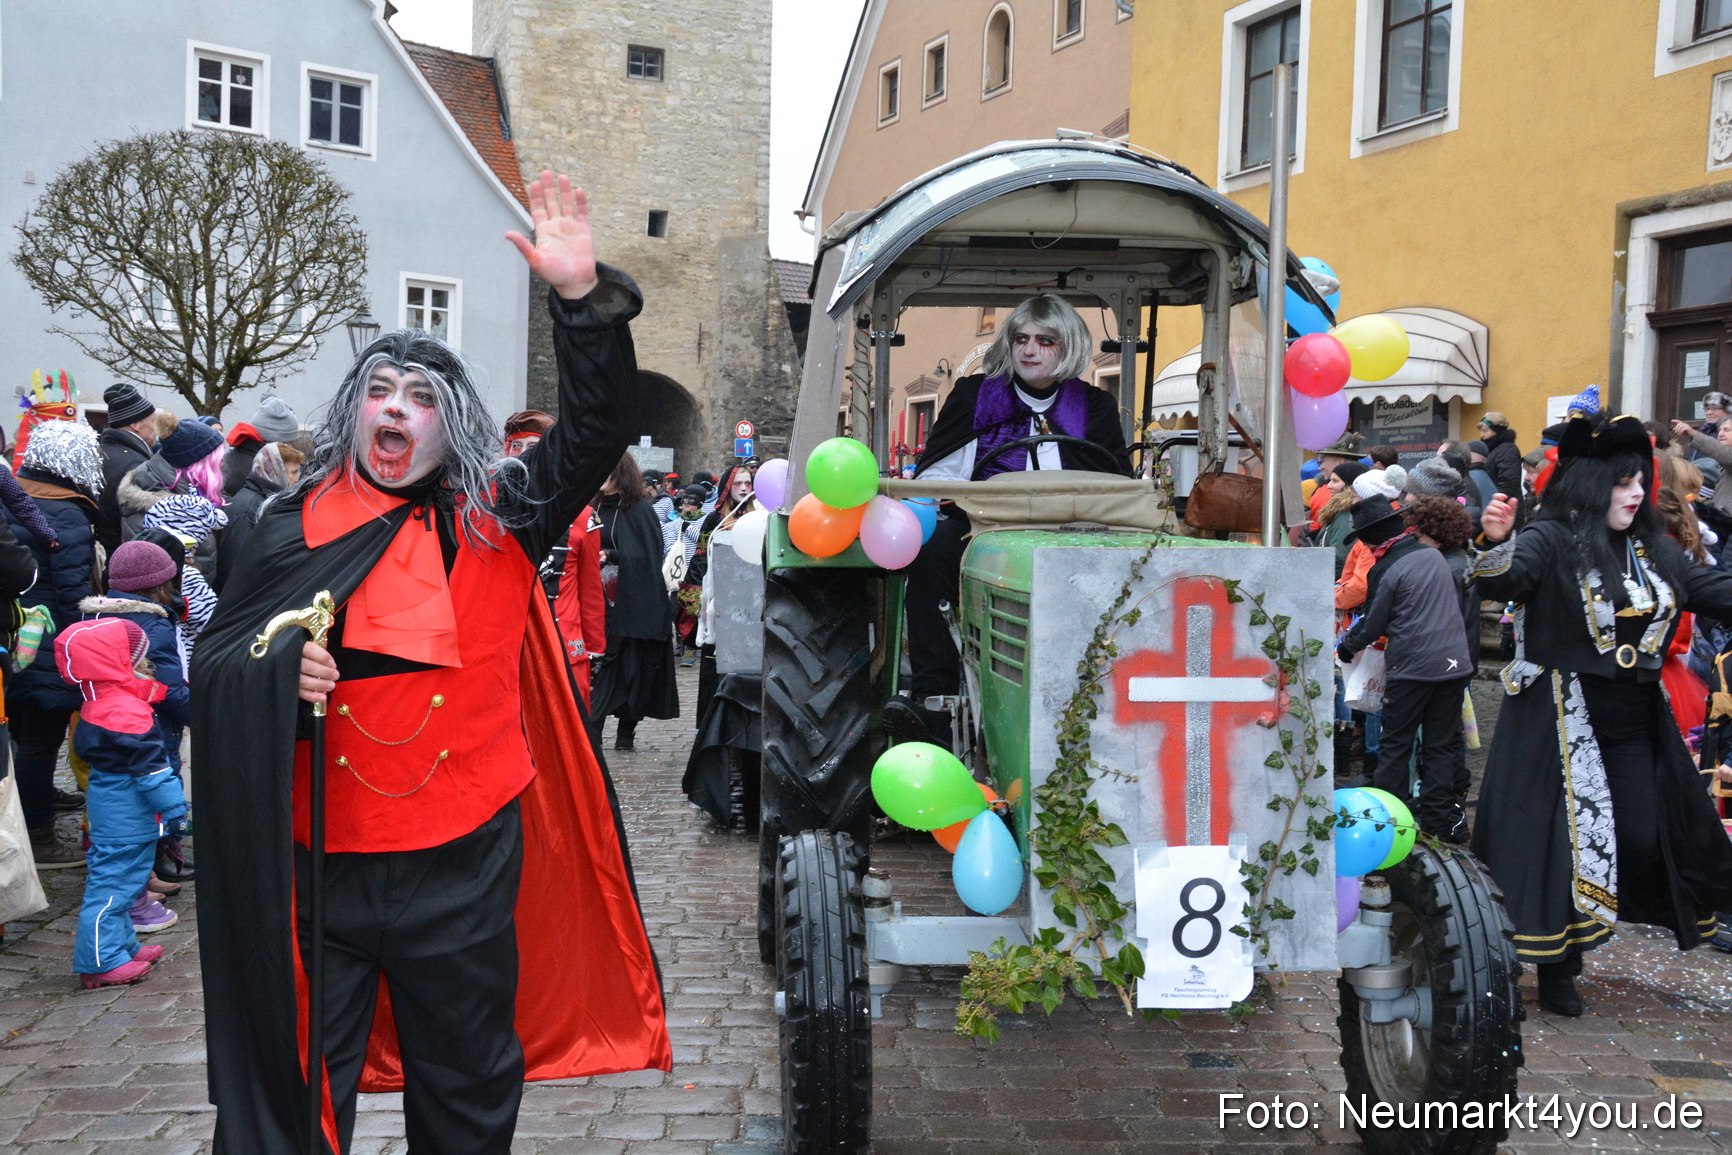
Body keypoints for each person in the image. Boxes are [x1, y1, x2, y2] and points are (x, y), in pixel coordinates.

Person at [189, 172, 669, 1152]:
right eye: (379, 390)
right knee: (295, 1088)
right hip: (316, 867)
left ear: (449, 421)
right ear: (352, 412)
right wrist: (281, 683)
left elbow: (596, 428)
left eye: (419, 395)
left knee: (464, 1084)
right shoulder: (286, 529)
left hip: (462, 861)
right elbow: (216, 662)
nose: (396, 409)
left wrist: (579, 304)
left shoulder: (504, 514)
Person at [1470, 414, 1732, 1017]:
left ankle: (1608, 921)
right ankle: (1561, 967)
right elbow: (1501, 580)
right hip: (1559, 719)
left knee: (1641, 834)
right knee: (1565, 847)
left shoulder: (1656, 549)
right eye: (1621, 482)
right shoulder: (1551, 537)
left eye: (1639, 480)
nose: (1636, 492)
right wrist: (1492, 540)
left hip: (1636, 721)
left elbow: (1711, 589)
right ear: (1591, 485)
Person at [892, 294, 1132, 743]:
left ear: (1068, 348)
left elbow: (1113, 484)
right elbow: (939, 475)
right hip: (985, 524)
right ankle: (935, 695)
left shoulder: (1094, 406)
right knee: (932, 550)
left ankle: (1109, 680)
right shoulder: (974, 396)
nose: (1029, 350)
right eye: (1021, 338)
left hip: (1070, 529)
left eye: (1045, 341)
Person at [57, 617, 189, 988]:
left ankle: (121, 946)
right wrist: (176, 808)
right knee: (112, 887)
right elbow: (151, 770)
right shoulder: (123, 713)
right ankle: (99, 961)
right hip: (126, 816)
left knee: (127, 883)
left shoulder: (101, 700)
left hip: (120, 813)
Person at [1337, 495, 1475, 843]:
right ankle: (1437, 826)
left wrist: (1345, 647)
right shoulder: (1433, 555)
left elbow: (1371, 626)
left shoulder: (1385, 568)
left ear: (1369, 539)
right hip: (1455, 665)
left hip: (1413, 668)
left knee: (1395, 745)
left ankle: (1389, 828)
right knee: (1440, 747)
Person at [80, 540, 194, 930]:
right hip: (145, 730)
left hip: (100, 728)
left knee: (115, 811)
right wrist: (201, 713)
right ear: (160, 584)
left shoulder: (95, 618)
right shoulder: (153, 625)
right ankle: (134, 898)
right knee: (144, 813)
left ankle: (142, 885)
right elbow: (170, 689)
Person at [8, 421, 106, 869]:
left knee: (20, 735)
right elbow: (72, 594)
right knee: (39, 743)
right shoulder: (66, 512)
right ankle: (38, 837)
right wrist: (84, 649)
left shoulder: (14, 495)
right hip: (49, 643)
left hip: (16, 634)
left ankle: (31, 812)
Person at [591, 451, 680, 752]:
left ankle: (626, 732)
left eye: (609, 470)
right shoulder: (593, 506)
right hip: (598, 607)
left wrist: (613, 556)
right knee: (600, 672)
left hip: (632, 607)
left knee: (634, 672)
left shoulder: (639, 510)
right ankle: (594, 732)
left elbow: (648, 557)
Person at [214, 443, 304, 594]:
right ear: (277, 471)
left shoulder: (266, 500)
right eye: (293, 472)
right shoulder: (249, 507)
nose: (298, 478)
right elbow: (234, 567)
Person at [95, 383, 158, 553]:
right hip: (124, 555)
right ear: (136, 425)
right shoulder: (135, 465)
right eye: (152, 421)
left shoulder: (101, 454)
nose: (155, 428)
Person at [221, 394, 300, 498]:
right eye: (290, 443)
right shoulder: (264, 470)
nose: (291, 449)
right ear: (278, 443)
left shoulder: (231, 458)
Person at [1478, 411, 1523, 500]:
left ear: (1496, 431)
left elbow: (1508, 484)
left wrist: (1497, 502)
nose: (1481, 435)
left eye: (1485, 431)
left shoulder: (1507, 451)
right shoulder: (1495, 449)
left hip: (1504, 508)